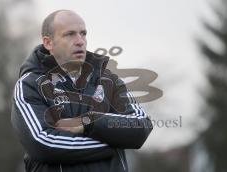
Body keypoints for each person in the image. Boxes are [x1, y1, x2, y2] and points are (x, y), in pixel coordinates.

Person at [11, 9, 153, 172]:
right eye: (70, 34)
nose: (80, 41)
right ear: (48, 42)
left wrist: (90, 122)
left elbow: (141, 127)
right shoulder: (30, 85)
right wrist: (114, 144)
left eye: (83, 34)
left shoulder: (108, 80)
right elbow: (42, 143)